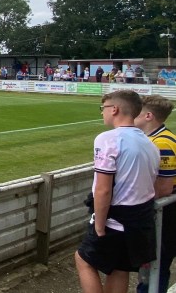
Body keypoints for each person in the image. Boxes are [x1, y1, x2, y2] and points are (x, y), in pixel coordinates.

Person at [75, 90, 160, 293]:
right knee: (119, 269)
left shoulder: (108, 139)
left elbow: (103, 189)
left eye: (103, 108)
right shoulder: (150, 143)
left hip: (116, 221)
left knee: (83, 260)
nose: (102, 112)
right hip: (140, 221)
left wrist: (99, 226)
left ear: (114, 109)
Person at [135, 95, 176, 293]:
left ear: (148, 116)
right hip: (166, 212)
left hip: (167, 214)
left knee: (156, 264)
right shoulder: (158, 139)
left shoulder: (161, 143)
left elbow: (164, 188)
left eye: (136, 113)